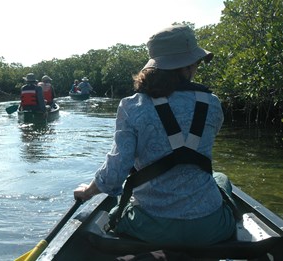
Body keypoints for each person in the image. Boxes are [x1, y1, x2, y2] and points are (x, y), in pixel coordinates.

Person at [73, 24, 236, 246]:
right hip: (211, 228)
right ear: (187, 66)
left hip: (150, 227)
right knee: (221, 179)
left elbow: (116, 172)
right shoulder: (213, 103)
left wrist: (88, 191)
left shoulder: (131, 106)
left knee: (116, 210)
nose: (197, 67)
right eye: (196, 62)